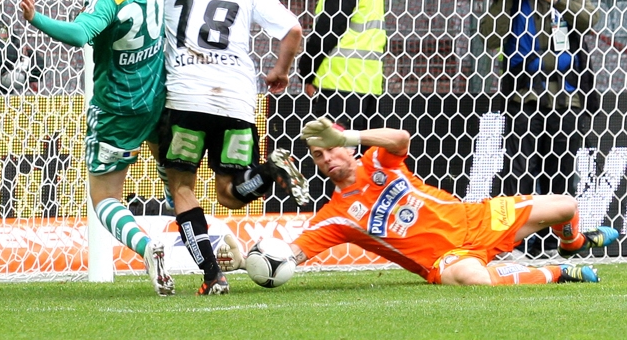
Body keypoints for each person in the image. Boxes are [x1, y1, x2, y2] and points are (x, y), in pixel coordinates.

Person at [19, 0, 196, 296]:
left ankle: (149, 249)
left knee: (104, 197)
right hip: (159, 97)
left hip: (118, 106)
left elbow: (80, 32)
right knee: (175, 181)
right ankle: (209, 248)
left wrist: (36, 19)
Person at [219, 117, 619, 286]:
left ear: (345, 147)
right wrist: (244, 261)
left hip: (476, 218)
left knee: (566, 205)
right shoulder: (336, 216)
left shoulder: (378, 159)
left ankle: (574, 242)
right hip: (445, 259)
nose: (327, 160)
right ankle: (557, 271)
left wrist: (350, 137)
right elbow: (289, 255)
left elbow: (402, 139)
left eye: (330, 149)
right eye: (318, 157)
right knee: (474, 280)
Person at [160, 0, 308, 295]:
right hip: (237, 101)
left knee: (182, 187)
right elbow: (293, 30)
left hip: (186, 98)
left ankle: (213, 277)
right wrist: (280, 71)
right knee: (229, 193)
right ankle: (268, 171)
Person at [480, 0, 600, 258]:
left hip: (566, 97)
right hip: (524, 97)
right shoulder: (516, 0)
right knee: (519, 171)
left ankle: (558, 242)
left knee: (560, 173)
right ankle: (515, 242)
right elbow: (489, 36)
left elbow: (589, 20)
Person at [297, 0, 387, 143]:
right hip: (368, 84)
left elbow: (328, 31)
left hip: (339, 84)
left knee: (334, 156)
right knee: (359, 159)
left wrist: (307, 71)